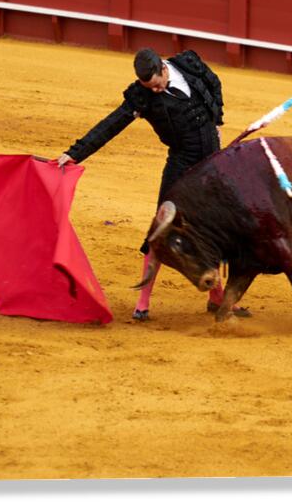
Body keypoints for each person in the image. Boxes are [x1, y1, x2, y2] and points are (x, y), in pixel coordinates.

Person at [57, 48, 239, 321]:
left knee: (216, 228)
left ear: (164, 69)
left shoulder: (188, 64)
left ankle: (217, 298)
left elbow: (214, 83)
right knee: (161, 230)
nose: (155, 91)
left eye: (157, 84)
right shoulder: (141, 96)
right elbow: (112, 124)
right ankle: (143, 303)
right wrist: (75, 152)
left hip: (212, 161)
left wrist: (217, 120)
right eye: (149, 87)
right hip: (181, 163)